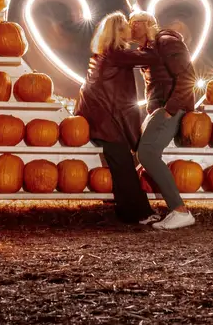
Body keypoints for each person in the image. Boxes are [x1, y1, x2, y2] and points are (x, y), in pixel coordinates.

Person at [76, 12, 161, 225]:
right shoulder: (116, 54)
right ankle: (140, 213)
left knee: (121, 164)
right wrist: (153, 36)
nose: (130, 29)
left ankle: (128, 211)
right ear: (118, 32)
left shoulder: (105, 53)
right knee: (123, 165)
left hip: (97, 118)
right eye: (126, 26)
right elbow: (152, 57)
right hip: (106, 121)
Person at [129, 12, 197, 230]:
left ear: (146, 24)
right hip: (160, 108)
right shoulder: (148, 49)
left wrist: (170, 109)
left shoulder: (166, 42)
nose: (129, 27)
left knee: (147, 153)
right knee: (142, 154)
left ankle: (180, 211)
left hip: (170, 107)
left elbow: (188, 77)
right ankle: (156, 209)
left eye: (133, 22)